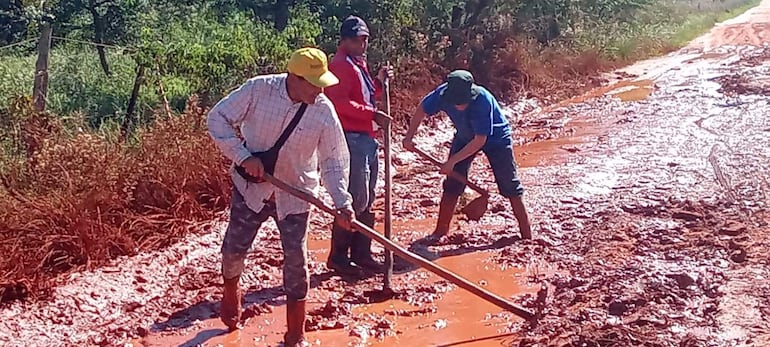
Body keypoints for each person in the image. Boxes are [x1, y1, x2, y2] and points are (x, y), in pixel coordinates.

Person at [207, 47, 354, 346]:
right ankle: (231, 292)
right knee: (234, 248)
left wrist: (342, 203)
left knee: (297, 261)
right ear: (294, 77)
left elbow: (334, 161)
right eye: (314, 83)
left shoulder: (323, 111)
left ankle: (295, 334)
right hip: (252, 189)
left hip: (297, 195)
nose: (319, 89)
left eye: (322, 82)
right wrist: (243, 156)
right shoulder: (259, 90)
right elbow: (217, 118)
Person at [402, 70, 532, 243]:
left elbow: (480, 140)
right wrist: (409, 137)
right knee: (452, 184)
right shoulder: (441, 94)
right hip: (464, 136)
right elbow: (421, 109)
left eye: (463, 102)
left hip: (496, 139)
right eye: (456, 102)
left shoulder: (482, 101)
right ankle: (440, 232)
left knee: (510, 185)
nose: (460, 106)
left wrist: (451, 161)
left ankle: (527, 237)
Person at [324, 15, 394, 275]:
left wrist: (379, 82)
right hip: (353, 137)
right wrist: (372, 114)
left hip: (367, 137)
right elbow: (340, 103)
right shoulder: (341, 65)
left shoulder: (357, 63)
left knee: (368, 196)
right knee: (355, 197)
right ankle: (339, 257)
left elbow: (364, 93)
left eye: (364, 39)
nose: (362, 44)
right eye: (356, 39)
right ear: (344, 41)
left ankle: (362, 253)